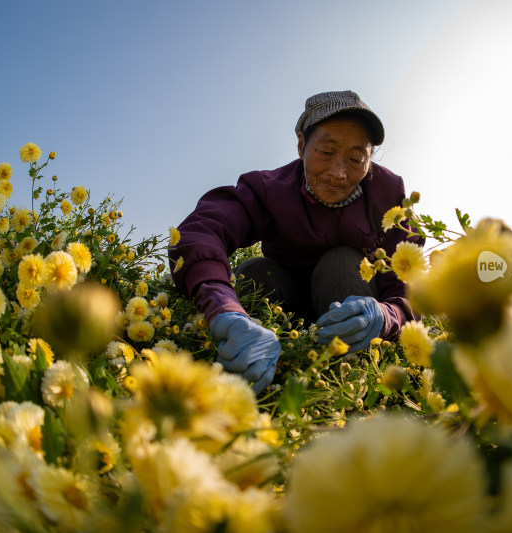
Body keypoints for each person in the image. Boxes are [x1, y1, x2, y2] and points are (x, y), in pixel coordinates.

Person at [169, 90, 423, 393]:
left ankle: (346, 388)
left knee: (342, 263)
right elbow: (203, 231)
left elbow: (409, 293)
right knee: (253, 272)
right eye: (326, 152)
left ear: (370, 161)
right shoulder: (268, 189)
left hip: (349, 322)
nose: (339, 173)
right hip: (285, 307)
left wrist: (384, 316)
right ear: (302, 144)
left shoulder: (390, 200)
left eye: (356, 159)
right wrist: (225, 310)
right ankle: (258, 372)